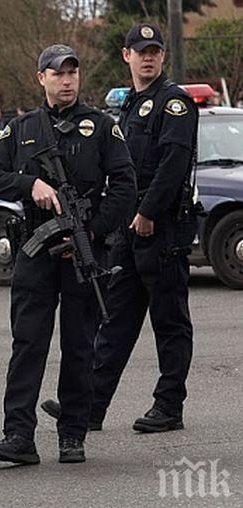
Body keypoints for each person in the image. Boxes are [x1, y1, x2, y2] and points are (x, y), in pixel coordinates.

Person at [0, 44, 136, 464]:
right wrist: (28, 184)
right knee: (28, 343)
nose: (66, 80)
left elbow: (124, 185)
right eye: (57, 73)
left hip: (84, 253)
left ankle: (72, 435)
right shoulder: (22, 128)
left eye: (72, 72)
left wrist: (91, 230)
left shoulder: (101, 127)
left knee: (80, 344)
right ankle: (18, 436)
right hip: (36, 249)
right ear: (41, 78)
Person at [41, 23, 199, 434]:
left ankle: (169, 406)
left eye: (155, 51)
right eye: (140, 50)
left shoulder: (174, 104)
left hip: (160, 226)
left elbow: (173, 165)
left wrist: (147, 211)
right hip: (129, 228)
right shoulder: (129, 105)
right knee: (115, 320)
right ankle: (90, 406)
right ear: (126, 55)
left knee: (169, 320)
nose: (148, 57)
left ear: (163, 56)